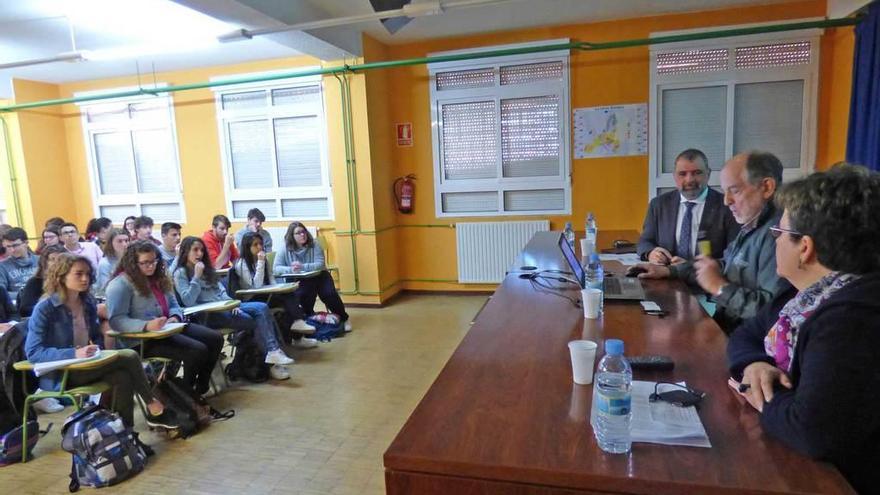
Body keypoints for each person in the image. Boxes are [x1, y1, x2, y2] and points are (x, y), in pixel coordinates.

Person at [727, 164, 880, 494]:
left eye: (779, 235)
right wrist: (755, 364)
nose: (774, 243)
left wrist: (764, 398)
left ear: (805, 248)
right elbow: (746, 335)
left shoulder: (852, 318)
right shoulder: (801, 294)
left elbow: (813, 431)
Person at [635, 151, 789, 333]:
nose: (727, 201)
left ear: (767, 187)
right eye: (725, 192)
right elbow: (726, 265)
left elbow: (770, 314)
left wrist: (719, 287)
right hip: (724, 323)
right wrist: (669, 270)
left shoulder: (778, 236)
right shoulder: (752, 224)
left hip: (743, 338)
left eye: (735, 191)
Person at [24, 253, 178, 432]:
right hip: (62, 373)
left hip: (87, 364)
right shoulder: (45, 308)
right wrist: (74, 353)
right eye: (79, 274)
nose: (85, 279)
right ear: (61, 276)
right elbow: (33, 352)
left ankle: (126, 434)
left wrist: (95, 348)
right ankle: (152, 403)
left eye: (88, 274)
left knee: (123, 377)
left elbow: (95, 336)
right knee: (129, 355)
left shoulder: (87, 302)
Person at [106, 241, 222, 395]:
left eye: (154, 261)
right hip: (142, 339)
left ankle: (199, 386)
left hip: (169, 328)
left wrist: (174, 316)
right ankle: (186, 393)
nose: (151, 266)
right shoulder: (120, 284)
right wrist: (146, 325)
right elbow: (117, 320)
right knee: (196, 350)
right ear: (133, 263)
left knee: (216, 338)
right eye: (145, 263)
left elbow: (174, 304)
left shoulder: (159, 278)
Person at [173, 236, 294, 380]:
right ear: (185, 252)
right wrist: (196, 278)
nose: (199, 254)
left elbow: (221, 291)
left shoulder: (207, 269)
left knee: (261, 308)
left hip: (225, 306)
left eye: (202, 250)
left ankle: (272, 352)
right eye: (195, 250)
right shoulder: (180, 273)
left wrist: (232, 304)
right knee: (257, 322)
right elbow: (188, 301)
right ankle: (270, 361)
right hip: (208, 315)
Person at [637, 149, 739, 263]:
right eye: (682, 174)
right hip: (664, 275)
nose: (689, 180)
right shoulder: (658, 205)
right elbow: (645, 241)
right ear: (674, 176)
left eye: (697, 173)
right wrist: (650, 253)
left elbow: (735, 254)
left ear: (708, 174)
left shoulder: (727, 206)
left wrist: (689, 267)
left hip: (706, 278)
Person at [231, 232, 317, 348]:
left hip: (265, 293)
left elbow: (271, 278)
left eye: (260, 244)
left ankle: (298, 331)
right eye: (255, 245)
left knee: (289, 294)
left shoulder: (263, 260)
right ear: (247, 247)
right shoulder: (241, 264)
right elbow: (256, 285)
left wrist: (279, 288)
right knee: (288, 301)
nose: (260, 247)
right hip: (252, 297)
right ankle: (298, 328)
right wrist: (260, 263)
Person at [274, 222, 351, 332]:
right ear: (292, 236)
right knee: (301, 294)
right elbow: (276, 268)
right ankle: (308, 319)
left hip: (319, 276)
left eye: (303, 231)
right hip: (298, 279)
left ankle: (344, 318)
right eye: (298, 233)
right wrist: (290, 269)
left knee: (329, 294)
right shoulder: (284, 248)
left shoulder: (314, 244)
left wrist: (303, 266)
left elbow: (320, 264)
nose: (302, 235)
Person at [18, 245, 66, 318]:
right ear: (45, 262)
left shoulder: (71, 281)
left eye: (60, 259)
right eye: (53, 259)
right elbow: (25, 310)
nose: (57, 263)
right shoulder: (35, 282)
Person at [0, 227, 39, 304]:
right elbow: (2, 292)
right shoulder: (2, 266)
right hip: (18, 306)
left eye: (15, 245)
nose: (12, 250)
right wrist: (24, 295)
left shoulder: (41, 260)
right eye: (8, 246)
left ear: (26, 243)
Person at [96, 228, 129, 295]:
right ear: (111, 243)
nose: (125, 244)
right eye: (120, 241)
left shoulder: (131, 258)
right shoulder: (105, 263)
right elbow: (106, 288)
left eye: (126, 240)